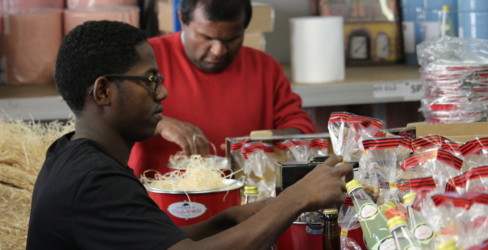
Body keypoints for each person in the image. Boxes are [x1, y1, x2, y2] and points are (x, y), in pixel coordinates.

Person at [27, 20, 352, 250]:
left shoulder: (73, 156)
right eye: (150, 80)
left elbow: (157, 240)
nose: (163, 92)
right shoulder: (94, 181)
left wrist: (228, 219)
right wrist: (298, 198)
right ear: (103, 92)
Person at [129, 0, 316, 177]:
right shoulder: (147, 58)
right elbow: (108, 118)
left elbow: (301, 127)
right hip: (157, 198)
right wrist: (159, 123)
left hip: (247, 198)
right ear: (182, 20)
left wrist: (271, 139)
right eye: (206, 37)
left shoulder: (265, 67)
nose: (218, 50)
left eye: (232, 39)